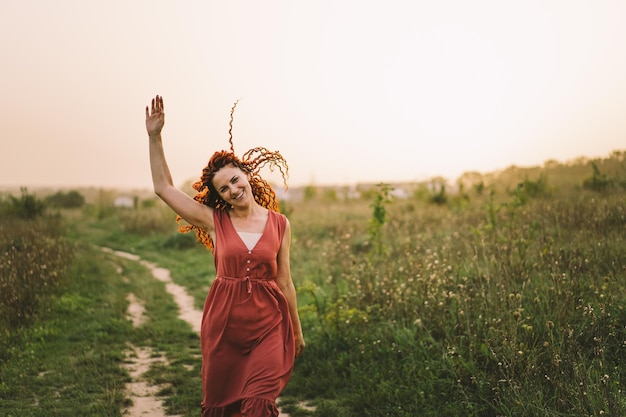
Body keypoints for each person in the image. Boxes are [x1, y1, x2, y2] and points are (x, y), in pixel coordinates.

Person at [145, 95, 305, 417]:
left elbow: (285, 282)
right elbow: (164, 187)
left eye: (235, 180)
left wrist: (296, 331)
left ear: (246, 176)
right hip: (224, 329)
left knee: (259, 404)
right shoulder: (215, 222)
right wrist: (155, 137)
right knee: (223, 408)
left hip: (269, 326)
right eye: (224, 189)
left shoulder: (280, 224)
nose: (233, 189)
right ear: (219, 197)